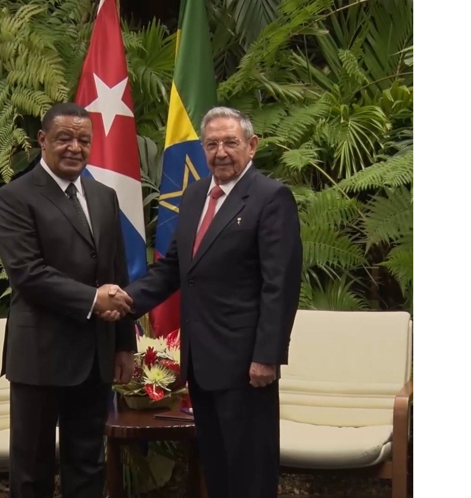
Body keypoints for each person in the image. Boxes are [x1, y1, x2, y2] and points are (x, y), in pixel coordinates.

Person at [120, 106, 302, 498]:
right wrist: (123, 301)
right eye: (212, 143)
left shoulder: (271, 198)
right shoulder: (195, 194)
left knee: (250, 473)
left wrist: (266, 356)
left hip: (246, 365)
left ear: (251, 146)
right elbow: (174, 268)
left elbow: (280, 285)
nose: (221, 152)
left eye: (231, 142)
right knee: (217, 471)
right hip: (200, 363)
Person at [0, 102, 135, 498]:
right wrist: (92, 298)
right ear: (42, 140)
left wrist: (124, 344)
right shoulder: (13, 197)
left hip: (95, 356)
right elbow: (27, 273)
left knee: (88, 465)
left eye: (84, 140)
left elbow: (116, 273)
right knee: (33, 469)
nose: (75, 147)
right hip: (40, 356)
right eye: (64, 138)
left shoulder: (104, 197)